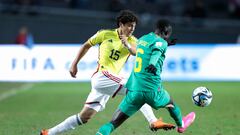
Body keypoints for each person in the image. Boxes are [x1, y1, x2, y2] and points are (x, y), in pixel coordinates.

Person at [40, 10, 175, 135]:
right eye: (129, 25)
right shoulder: (105, 34)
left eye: (133, 26)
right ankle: (153, 121)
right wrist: (74, 64)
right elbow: (86, 45)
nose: (132, 29)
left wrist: (163, 43)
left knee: (84, 117)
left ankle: (48, 133)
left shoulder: (133, 40)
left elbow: (139, 51)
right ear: (121, 24)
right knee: (138, 90)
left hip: (109, 80)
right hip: (102, 76)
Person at [96, 19, 196, 135]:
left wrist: (167, 44)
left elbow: (150, 48)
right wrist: (152, 64)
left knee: (113, 123)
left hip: (134, 91)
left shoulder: (143, 39)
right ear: (166, 33)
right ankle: (181, 126)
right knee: (171, 104)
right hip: (153, 92)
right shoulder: (161, 43)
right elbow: (156, 52)